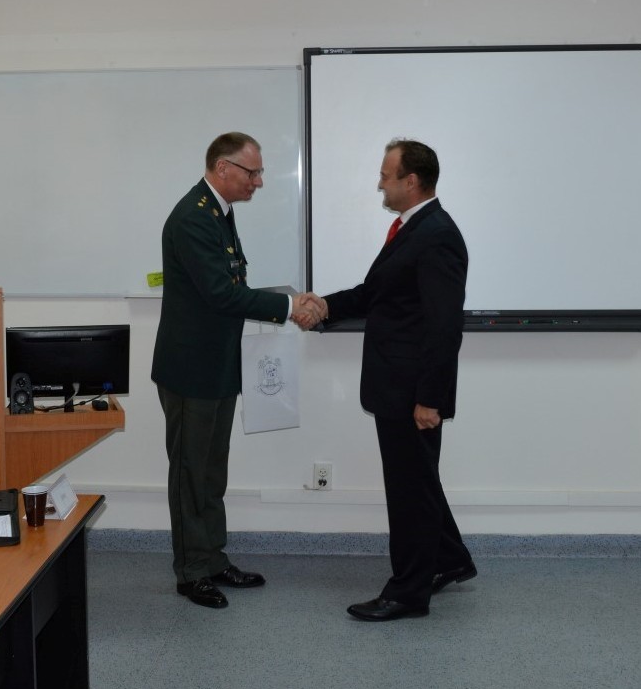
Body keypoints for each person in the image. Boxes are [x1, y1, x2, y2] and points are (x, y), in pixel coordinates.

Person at [309, 138, 475, 621]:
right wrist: (323, 305)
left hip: (412, 392)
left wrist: (430, 399)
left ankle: (407, 593)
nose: (379, 184)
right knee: (418, 482)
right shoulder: (411, 229)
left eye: (386, 176)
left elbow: (445, 327)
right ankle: (449, 560)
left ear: (412, 180)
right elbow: (374, 294)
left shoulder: (437, 235)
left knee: (409, 493)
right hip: (396, 385)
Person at [152, 132, 319, 609]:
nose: (258, 181)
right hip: (190, 370)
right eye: (252, 172)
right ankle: (191, 573)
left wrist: (288, 300)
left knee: (211, 472)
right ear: (223, 168)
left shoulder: (218, 212)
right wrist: (289, 307)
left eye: (259, 172)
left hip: (217, 364)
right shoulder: (193, 217)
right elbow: (220, 294)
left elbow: (230, 286)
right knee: (191, 472)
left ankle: (212, 559)